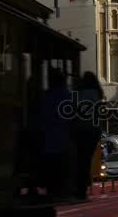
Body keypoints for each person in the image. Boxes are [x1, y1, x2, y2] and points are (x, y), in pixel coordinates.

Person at [40, 68, 74, 200]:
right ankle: (62, 189)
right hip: (63, 141)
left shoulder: (47, 95)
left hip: (48, 141)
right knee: (60, 167)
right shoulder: (67, 95)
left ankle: (52, 189)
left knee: (52, 168)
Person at [73, 72, 103, 200]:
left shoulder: (78, 94)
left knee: (79, 160)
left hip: (79, 130)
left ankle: (79, 186)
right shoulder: (96, 94)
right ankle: (83, 188)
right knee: (86, 160)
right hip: (92, 131)